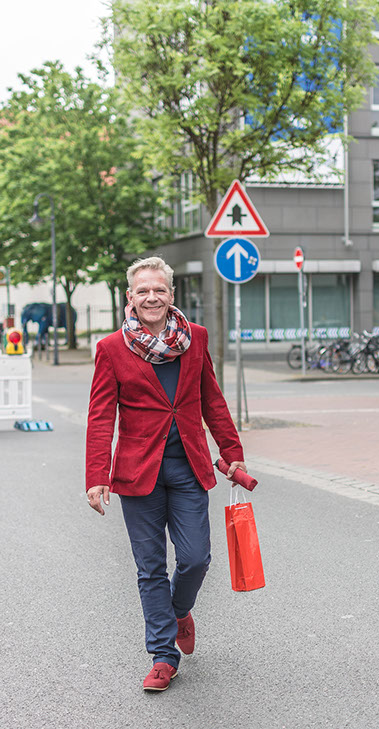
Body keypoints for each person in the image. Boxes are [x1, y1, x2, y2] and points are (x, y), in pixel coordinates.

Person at [86, 256, 246, 692]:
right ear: (130, 297)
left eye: (159, 289)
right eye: (143, 291)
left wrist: (232, 452)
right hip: (137, 471)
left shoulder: (196, 338)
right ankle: (162, 656)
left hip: (188, 465)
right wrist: (97, 474)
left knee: (196, 558)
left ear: (171, 295)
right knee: (150, 567)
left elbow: (212, 399)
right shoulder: (111, 349)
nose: (151, 297)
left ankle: (177, 612)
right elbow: (101, 416)